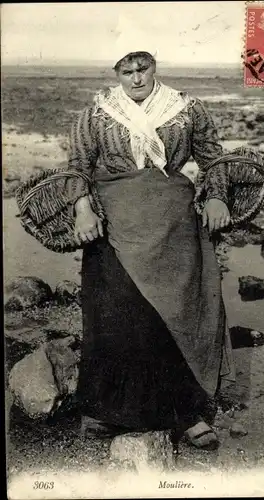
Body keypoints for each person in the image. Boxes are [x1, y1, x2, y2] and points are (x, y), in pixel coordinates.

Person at [66, 49, 235, 450]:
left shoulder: (186, 108)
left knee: (176, 314)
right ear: (117, 73)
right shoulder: (98, 113)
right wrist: (82, 207)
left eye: (143, 68)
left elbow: (214, 158)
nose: (137, 78)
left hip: (173, 224)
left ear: (154, 67)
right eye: (127, 71)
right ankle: (111, 410)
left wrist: (217, 197)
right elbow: (76, 164)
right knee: (121, 313)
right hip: (116, 225)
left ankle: (187, 414)